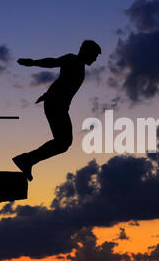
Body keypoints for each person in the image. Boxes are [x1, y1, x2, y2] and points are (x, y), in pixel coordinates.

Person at [13, 40, 101, 181]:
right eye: (95, 55)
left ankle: (28, 159)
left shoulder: (79, 65)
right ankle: (27, 159)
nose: (95, 59)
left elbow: (63, 82)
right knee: (63, 142)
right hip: (55, 104)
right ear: (86, 51)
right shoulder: (73, 59)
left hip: (57, 104)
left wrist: (49, 94)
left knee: (63, 143)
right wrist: (33, 62)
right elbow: (53, 62)